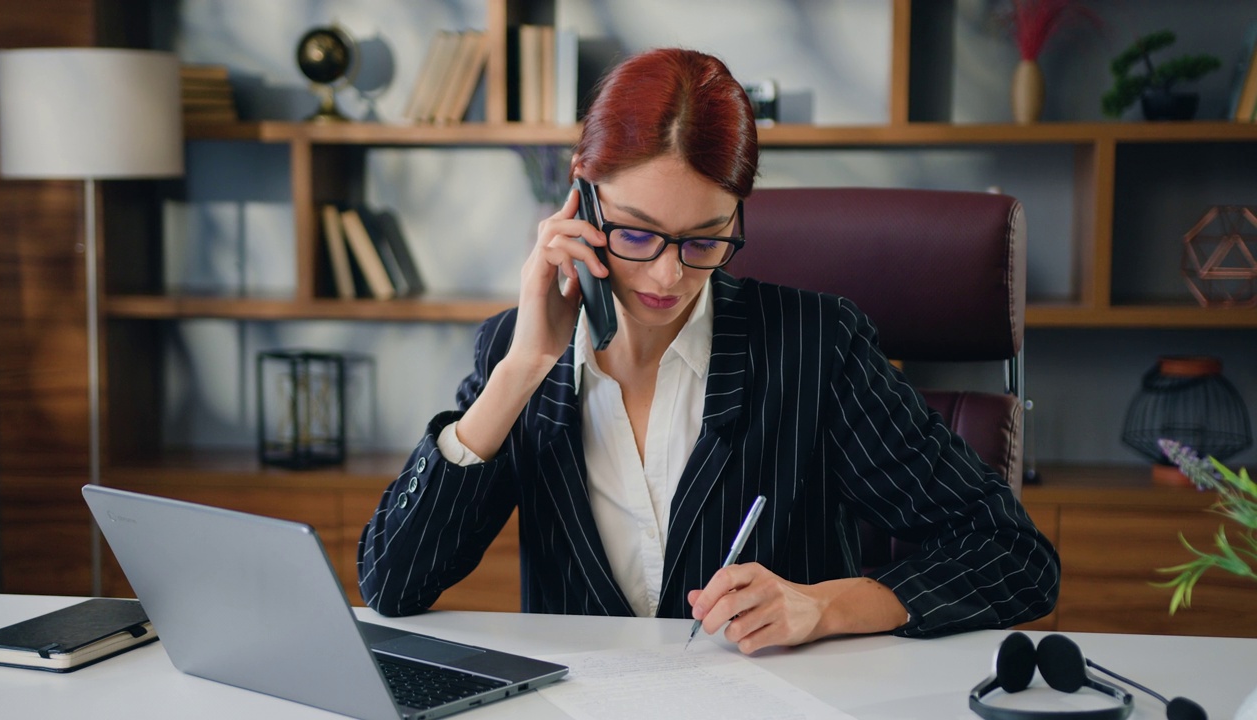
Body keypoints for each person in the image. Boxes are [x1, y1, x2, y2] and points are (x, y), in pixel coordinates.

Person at [359, 47, 1058, 654]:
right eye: (636, 234)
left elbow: (1014, 555)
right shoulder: (515, 354)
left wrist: (829, 607)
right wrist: (520, 370)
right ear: (582, 193)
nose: (670, 276)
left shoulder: (816, 348)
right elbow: (390, 583)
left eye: (705, 239)